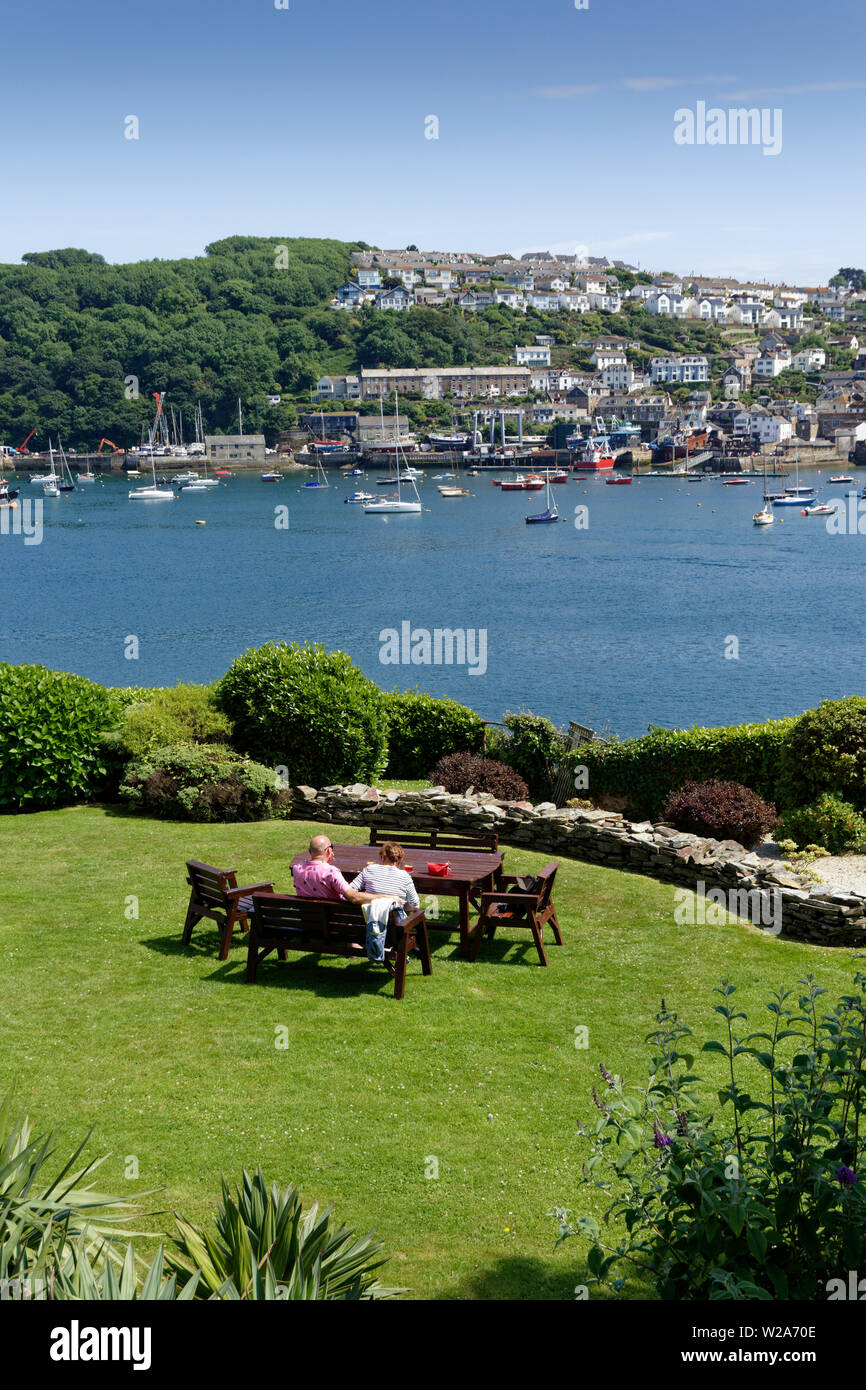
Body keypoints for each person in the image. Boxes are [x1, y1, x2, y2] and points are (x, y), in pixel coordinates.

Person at [348, 842, 421, 964]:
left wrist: (370, 898)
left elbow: (350, 891)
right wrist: (401, 905)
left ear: (382, 857)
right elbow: (415, 905)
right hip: (393, 933)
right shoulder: (404, 876)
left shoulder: (369, 870)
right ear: (400, 860)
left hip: (367, 927)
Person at [292, 835, 385, 906]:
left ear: (309, 851)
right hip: (333, 925)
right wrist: (387, 898)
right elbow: (354, 897)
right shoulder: (331, 872)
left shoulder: (297, 869)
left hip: (307, 923)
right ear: (328, 851)